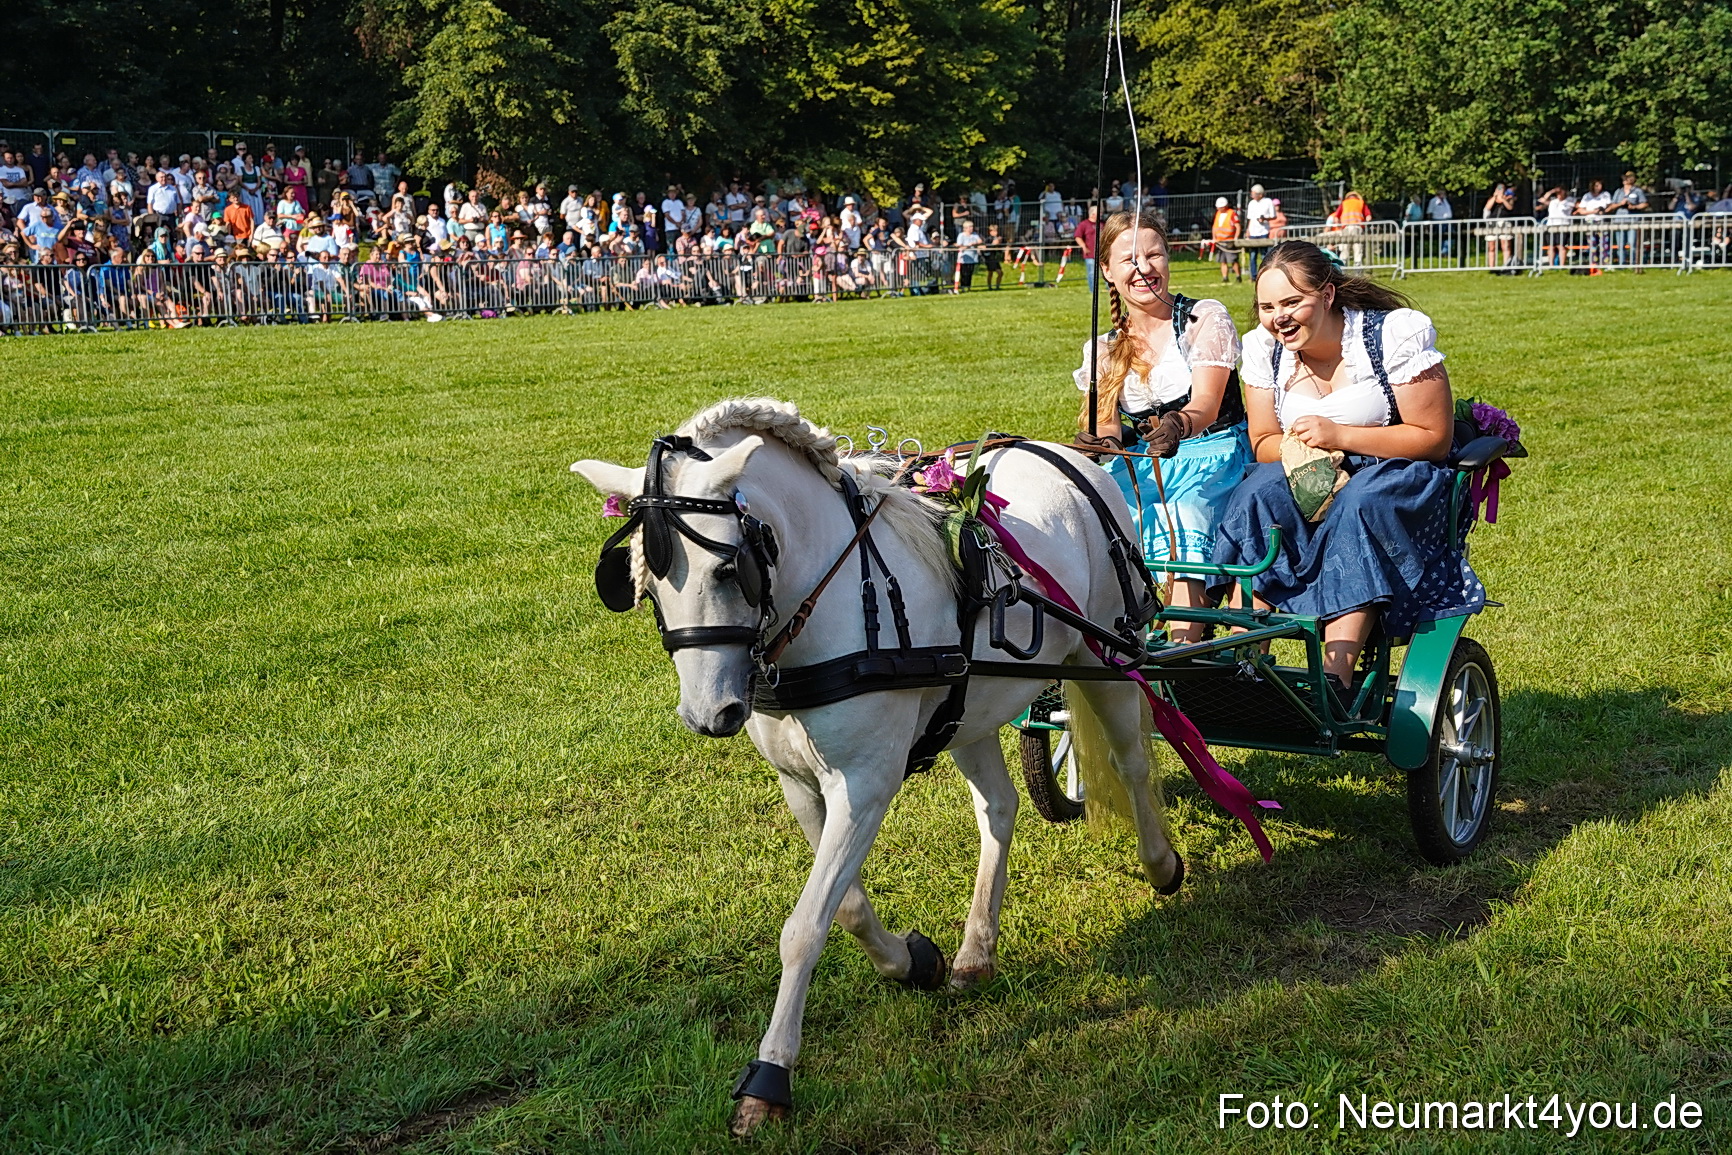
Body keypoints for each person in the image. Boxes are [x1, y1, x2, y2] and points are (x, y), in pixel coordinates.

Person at [1210, 240, 1479, 689]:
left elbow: (1434, 438)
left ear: (1328, 295)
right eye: (1268, 306)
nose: (1279, 317)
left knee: (1360, 500)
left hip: (1397, 471)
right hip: (1309, 466)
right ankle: (1246, 661)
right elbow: (1262, 442)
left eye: (1293, 302)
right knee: (1257, 494)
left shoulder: (1392, 334)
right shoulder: (1264, 350)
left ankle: (1336, 676)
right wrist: (1312, 453)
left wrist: (1342, 436)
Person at [1072, 210, 1251, 644]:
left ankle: (1182, 644)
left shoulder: (1201, 319)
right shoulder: (1104, 348)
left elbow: (1207, 405)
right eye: (1129, 259)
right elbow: (1108, 427)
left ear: (1168, 260)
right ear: (1108, 273)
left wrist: (1179, 422)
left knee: (1183, 511)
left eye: (1154, 255)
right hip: (1143, 462)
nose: (1144, 268)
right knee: (1102, 514)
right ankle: (1114, 639)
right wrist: (1098, 443)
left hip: (1214, 451)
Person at [1243, 184, 1278, 277]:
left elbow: (1274, 216)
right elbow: (1250, 218)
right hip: (1253, 232)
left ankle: (1265, 274)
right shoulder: (1251, 203)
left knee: (1264, 254)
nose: (1252, 195)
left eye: (1254, 193)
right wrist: (1248, 230)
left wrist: (1265, 219)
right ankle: (1253, 275)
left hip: (1263, 231)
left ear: (1260, 194)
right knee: (1253, 255)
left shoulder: (1268, 202)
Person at [1210, 196, 1240, 284]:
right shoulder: (1218, 214)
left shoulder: (1232, 213)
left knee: (1233, 260)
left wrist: (1236, 237)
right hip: (1219, 241)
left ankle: (1238, 276)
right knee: (1223, 261)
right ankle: (1225, 277)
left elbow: (1237, 226)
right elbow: (1215, 227)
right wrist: (1214, 238)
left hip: (1229, 241)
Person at [1072, 203, 1099, 287]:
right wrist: (1084, 246)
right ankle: (1092, 289)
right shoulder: (1084, 224)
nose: (1101, 214)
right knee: (1091, 273)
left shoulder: (1102, 223)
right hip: (1090, 253)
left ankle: (1109, 289)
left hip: (1102, 254)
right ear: (1093, 214)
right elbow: (1077, 236)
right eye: (1099, 212)